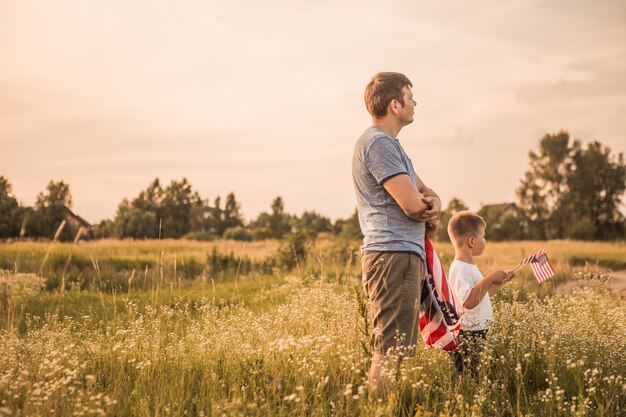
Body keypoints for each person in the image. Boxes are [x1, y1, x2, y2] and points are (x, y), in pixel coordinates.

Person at [352, 72, 442, 391]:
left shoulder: (392, 146)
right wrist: (428, 207)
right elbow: (414, 204)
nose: (414, 102)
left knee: (396, 349)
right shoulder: (378, 143)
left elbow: (427, 192)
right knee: (389, 352)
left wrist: (435, 202)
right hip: (393, 256)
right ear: (395, 104)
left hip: (401, 255)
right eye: (409, 96)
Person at [447, 211, 514, 376]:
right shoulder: (460, 268)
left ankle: (468, 395)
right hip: (467, 332)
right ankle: (462, 397)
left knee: (473, 371)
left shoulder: (469, 266)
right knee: (466, 373)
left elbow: (480, 296)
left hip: (476, 329)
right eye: (483, 236)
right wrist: (489, 277)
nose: (485, 240)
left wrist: (497, 283)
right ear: (471, 241)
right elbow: (468, 302)